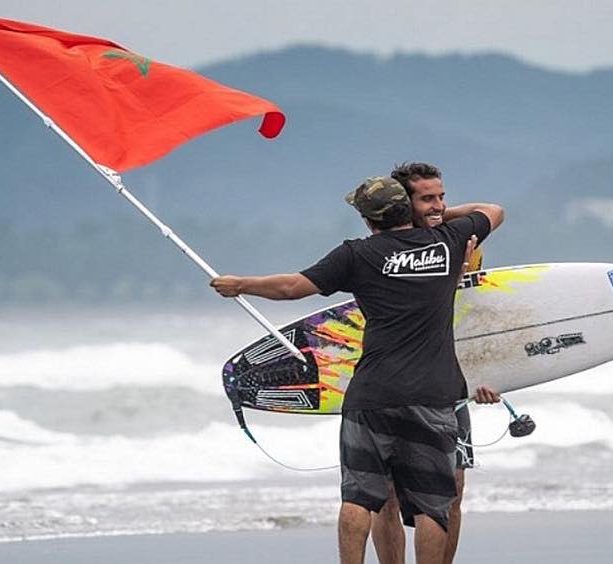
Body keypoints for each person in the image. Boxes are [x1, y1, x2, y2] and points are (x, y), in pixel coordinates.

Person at [211, 176, 504, 564]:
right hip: (433, 395)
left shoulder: (356, 255)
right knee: (432, 506)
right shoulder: (448, 240)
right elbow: (493, 211)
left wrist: (241, 284)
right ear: (408, 208)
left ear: (368, 220)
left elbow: (292, 287)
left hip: (371, 395)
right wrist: (440, 215)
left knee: (359, 497)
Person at [370, 162, 499, 564]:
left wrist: (491, 375)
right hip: (393, 384)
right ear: (401, 203)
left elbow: (474, 315)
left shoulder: (461, 239)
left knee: (453, 489)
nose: (439, 204)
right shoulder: (380, 250)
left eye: (441, 196)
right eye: (427, 198)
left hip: (449, 381)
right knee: (386, 495)